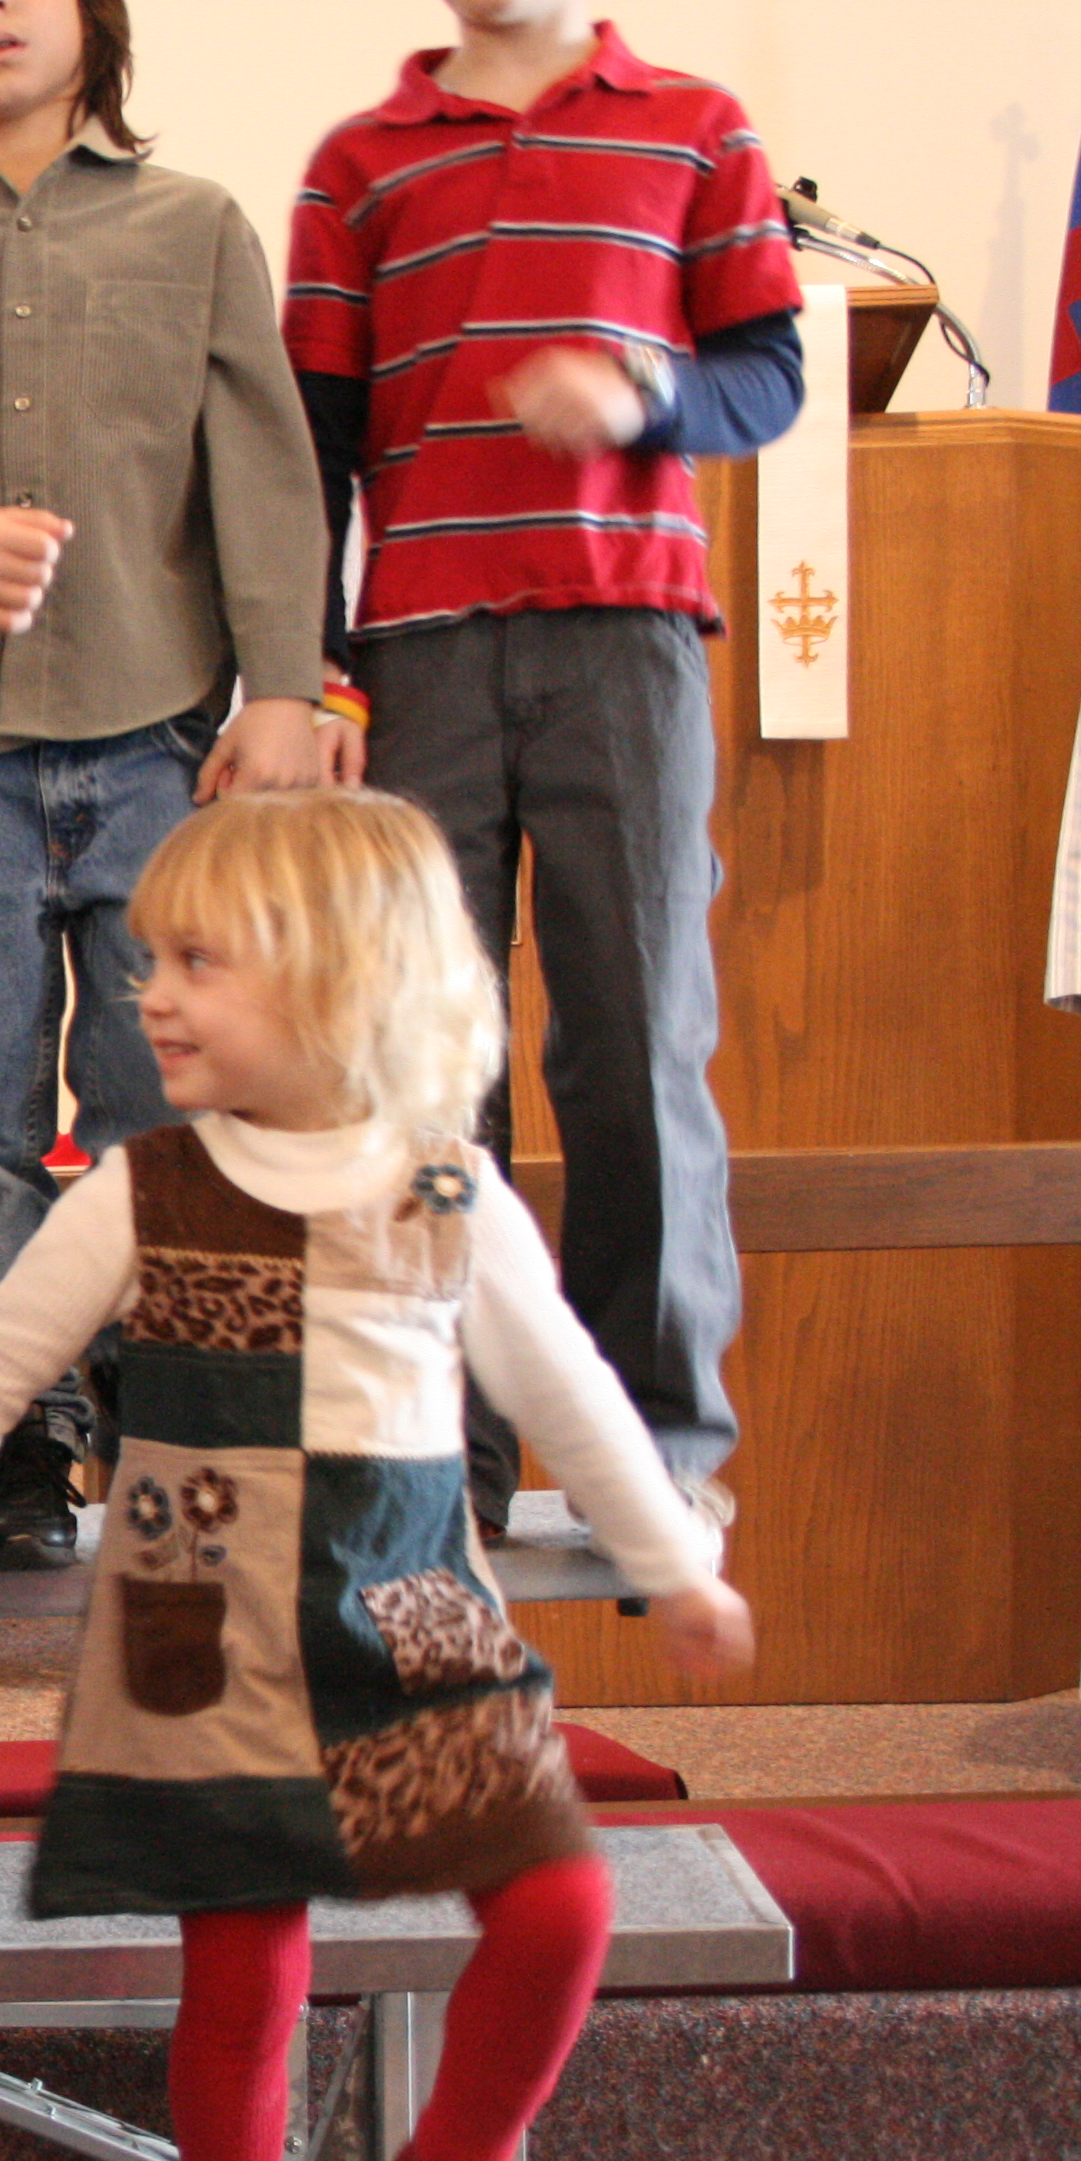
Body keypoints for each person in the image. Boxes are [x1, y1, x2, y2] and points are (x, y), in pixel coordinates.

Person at [0, 788, 752, 2161]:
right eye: (152, 960)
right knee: (245, 1976)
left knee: (555, 1906)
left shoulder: (445, 1192)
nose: (149, 995)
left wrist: (672, 1562)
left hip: (408, 1605)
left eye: (199, 963)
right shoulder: (144, 1189)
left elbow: (571, 1394)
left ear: (340, 977)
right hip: (205, 1617)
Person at [0, 0, 332, 1573]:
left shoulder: (196, 229)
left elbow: (265, 472)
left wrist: (284, 687)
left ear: (95, 27)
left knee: (170, 1101)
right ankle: (10, 1434)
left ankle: (172, 1407)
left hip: (161, 746)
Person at [286, 0, 803, 1535]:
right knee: (427, 1067)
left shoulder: (696, 126)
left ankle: (658, 1442)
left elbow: (767, 372)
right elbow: (309, 454)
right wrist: (315, 671)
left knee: (639, 1040)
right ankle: (448, 1454)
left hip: (627, 644)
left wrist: (643, 397)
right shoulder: (358, 164)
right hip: (418, 661)